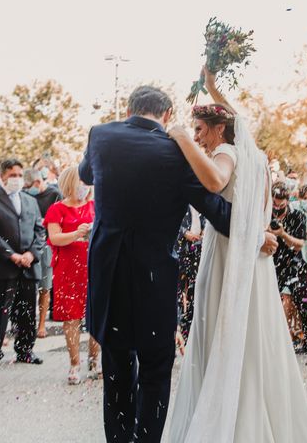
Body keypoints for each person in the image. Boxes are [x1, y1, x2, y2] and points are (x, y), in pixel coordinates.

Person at [79, 83, 235, 443]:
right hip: (154, 277)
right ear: (166, 116)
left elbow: (86, 175)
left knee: (117, 366)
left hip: (109, 273)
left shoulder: (100, 136)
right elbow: (217, 214)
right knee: (155, 367)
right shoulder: (177, 152)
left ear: (130, 108)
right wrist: (254, 224)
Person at [168, 67, 307, 442]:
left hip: (228, 255)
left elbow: (216, 180)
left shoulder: (225, 151)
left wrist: (181, 137)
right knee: (252, 336)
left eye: (200, 129)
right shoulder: (254, 156)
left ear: (218, 130)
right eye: (194, 131)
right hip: (253, 258)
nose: (198, 138)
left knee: (223, 328)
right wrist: (215, 89)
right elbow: (241, 123)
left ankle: (228, 423)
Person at [0, 158, 46, 370]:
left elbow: (40, 231)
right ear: (3, 176)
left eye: (19, 175)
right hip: (3, 265)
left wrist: (31, 254)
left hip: (28, 265)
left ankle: (25, 349)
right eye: (12, 175)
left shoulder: (30, 201)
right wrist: (11, 255)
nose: (16, 179)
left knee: (27, 311)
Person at [43, 166, 98, 384]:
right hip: (67, 268)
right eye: (79, 182)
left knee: (96, 314)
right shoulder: (57, 209)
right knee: (71, 318)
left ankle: (95, 359)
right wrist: (77, 233)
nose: (83, 187)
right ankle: (74, 363)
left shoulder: (96, 206)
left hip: (93, 266)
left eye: (86, 183)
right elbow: (55, 238)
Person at [270, 182, 307, 352]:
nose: (277, 208)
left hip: (295, 264)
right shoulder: (265, 215)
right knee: (271, 303)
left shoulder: (297, 216)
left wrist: (282, 234)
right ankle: (274, 341)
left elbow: (299, 244)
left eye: (281, 205)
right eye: (274, 204)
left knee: (305, 302)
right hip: (272, 263)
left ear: (288, 201)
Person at [23, 167, 62, 337]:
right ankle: (27, 323)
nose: (26, 189)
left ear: (37, 182)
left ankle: (41, 324)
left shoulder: (54, 195)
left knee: (45, 288)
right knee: (28, 287)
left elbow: (60, 217)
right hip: (27, 245)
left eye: (28, 185)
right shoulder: (26, 195)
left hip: (46, 245)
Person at [174, 206, 205, 347]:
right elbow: (174, 222)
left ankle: (189, 330)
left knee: (194, 290)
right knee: (177, 291)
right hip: (180, 252)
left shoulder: (202, 204)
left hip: (197, 252)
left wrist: (204, 232)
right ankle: (176, 326)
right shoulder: (182, 203)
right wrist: (185, 233)